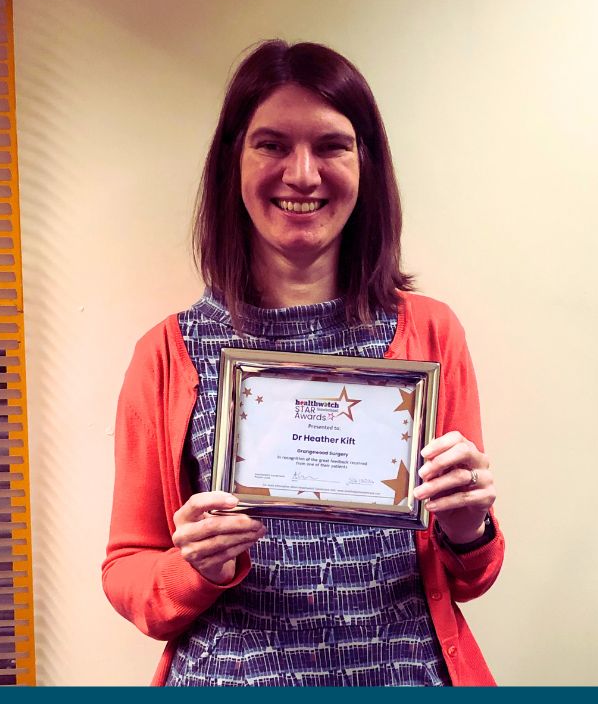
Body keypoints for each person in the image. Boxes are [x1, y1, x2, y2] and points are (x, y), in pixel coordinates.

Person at [102, 39, 504, 686]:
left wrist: (467, 523)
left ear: (366, 164)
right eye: (271, 144)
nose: (303, 174)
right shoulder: (169, 354)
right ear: (232, 162)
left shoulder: (429, 331)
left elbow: (473, 575)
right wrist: (194, 567)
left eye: (331, 145)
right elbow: (128, 572)